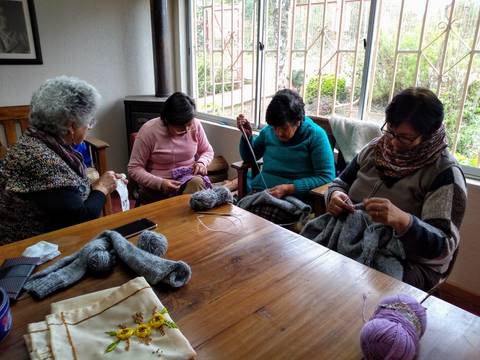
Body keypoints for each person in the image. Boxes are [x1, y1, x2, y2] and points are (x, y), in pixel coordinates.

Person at [325, 87, 467, 290]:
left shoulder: (444, 173)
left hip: (411, 260)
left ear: (429, 135)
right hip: (354, 234)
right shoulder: (375, 149)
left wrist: (403, 221)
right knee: (313, 265)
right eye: (390, 130)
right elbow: (339, 183)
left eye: (404, 137)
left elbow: (443, 247)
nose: (391, 142)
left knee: (363, 287)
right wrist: (335, 195)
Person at [0, 76, 125, 244]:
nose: (89, 126)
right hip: (28, 247)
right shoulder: (43, 160)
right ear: (71, 126)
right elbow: (81, 219)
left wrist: (94, 186)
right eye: (90, 121)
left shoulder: (36, 140)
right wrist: (102, 187)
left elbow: (61, 193)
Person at [236, 89, 335, 223]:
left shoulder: (316, 135)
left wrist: (290, 188)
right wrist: (246, 136)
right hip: (263, 191)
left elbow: (326, 177)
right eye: (275, 127)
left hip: (295, 198)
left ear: (298, 120)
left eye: (283, 128)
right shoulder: (268, 132)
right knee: (236, 216)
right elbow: (249, 158)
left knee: (259, 223)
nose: (278, 133)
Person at [128, 92, 214, 204]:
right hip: (157, 185)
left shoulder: (196, 125)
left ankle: (187, 216)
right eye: (181, 127)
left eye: (189, 124)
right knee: (189, 203)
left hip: (188, 179)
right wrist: (160, 183)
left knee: (196, 183)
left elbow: (207, 150)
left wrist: (202, 162)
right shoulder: (148, 131)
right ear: (167, 120)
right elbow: (134, 168)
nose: (187, 130)